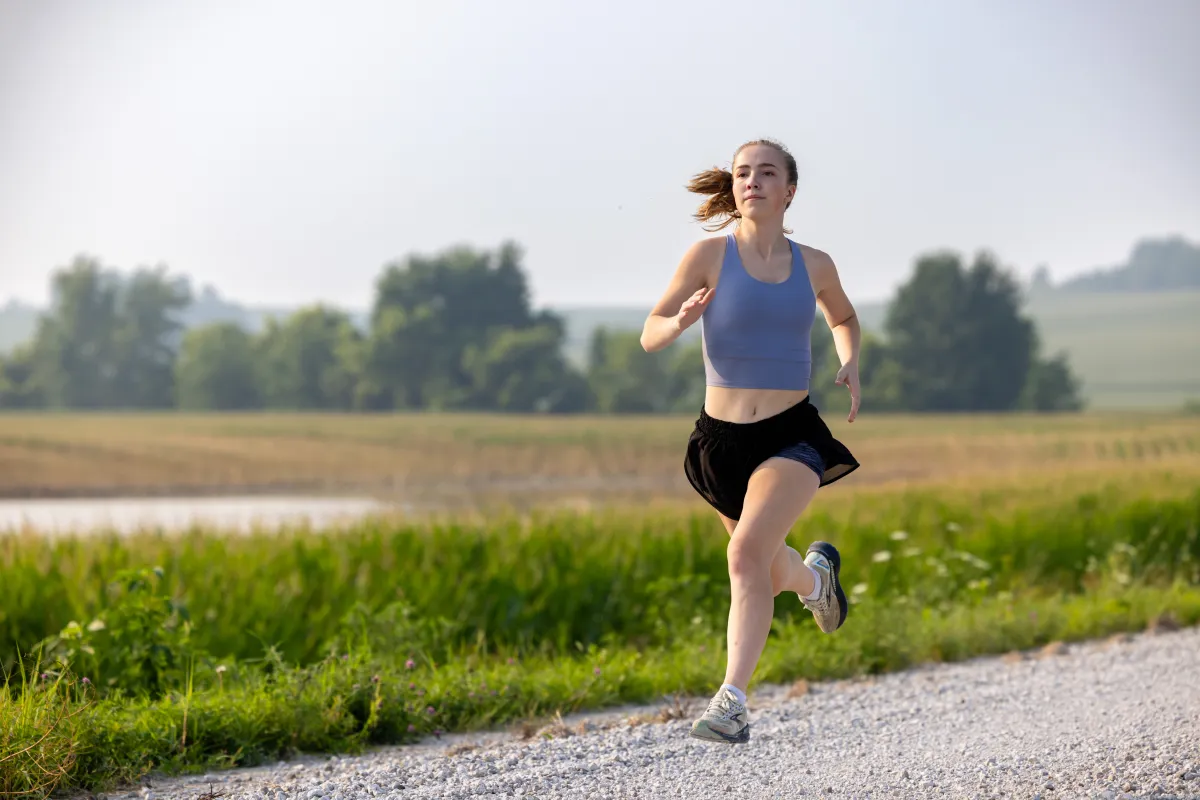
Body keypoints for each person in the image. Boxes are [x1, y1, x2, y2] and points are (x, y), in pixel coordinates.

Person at [640, 138, 862, 745]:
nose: (752, 181)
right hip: (719, 444)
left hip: (790, 436)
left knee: (743, 557)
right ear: (734, 187)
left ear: (789, 190)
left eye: (767, 172)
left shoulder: (814, 264)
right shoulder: (708, 255)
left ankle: (732, 702)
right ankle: (818, 583)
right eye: (743, 173)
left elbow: (842, 317)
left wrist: (849, 360)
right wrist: (681, 320)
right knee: (763, 563)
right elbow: (650, 333)